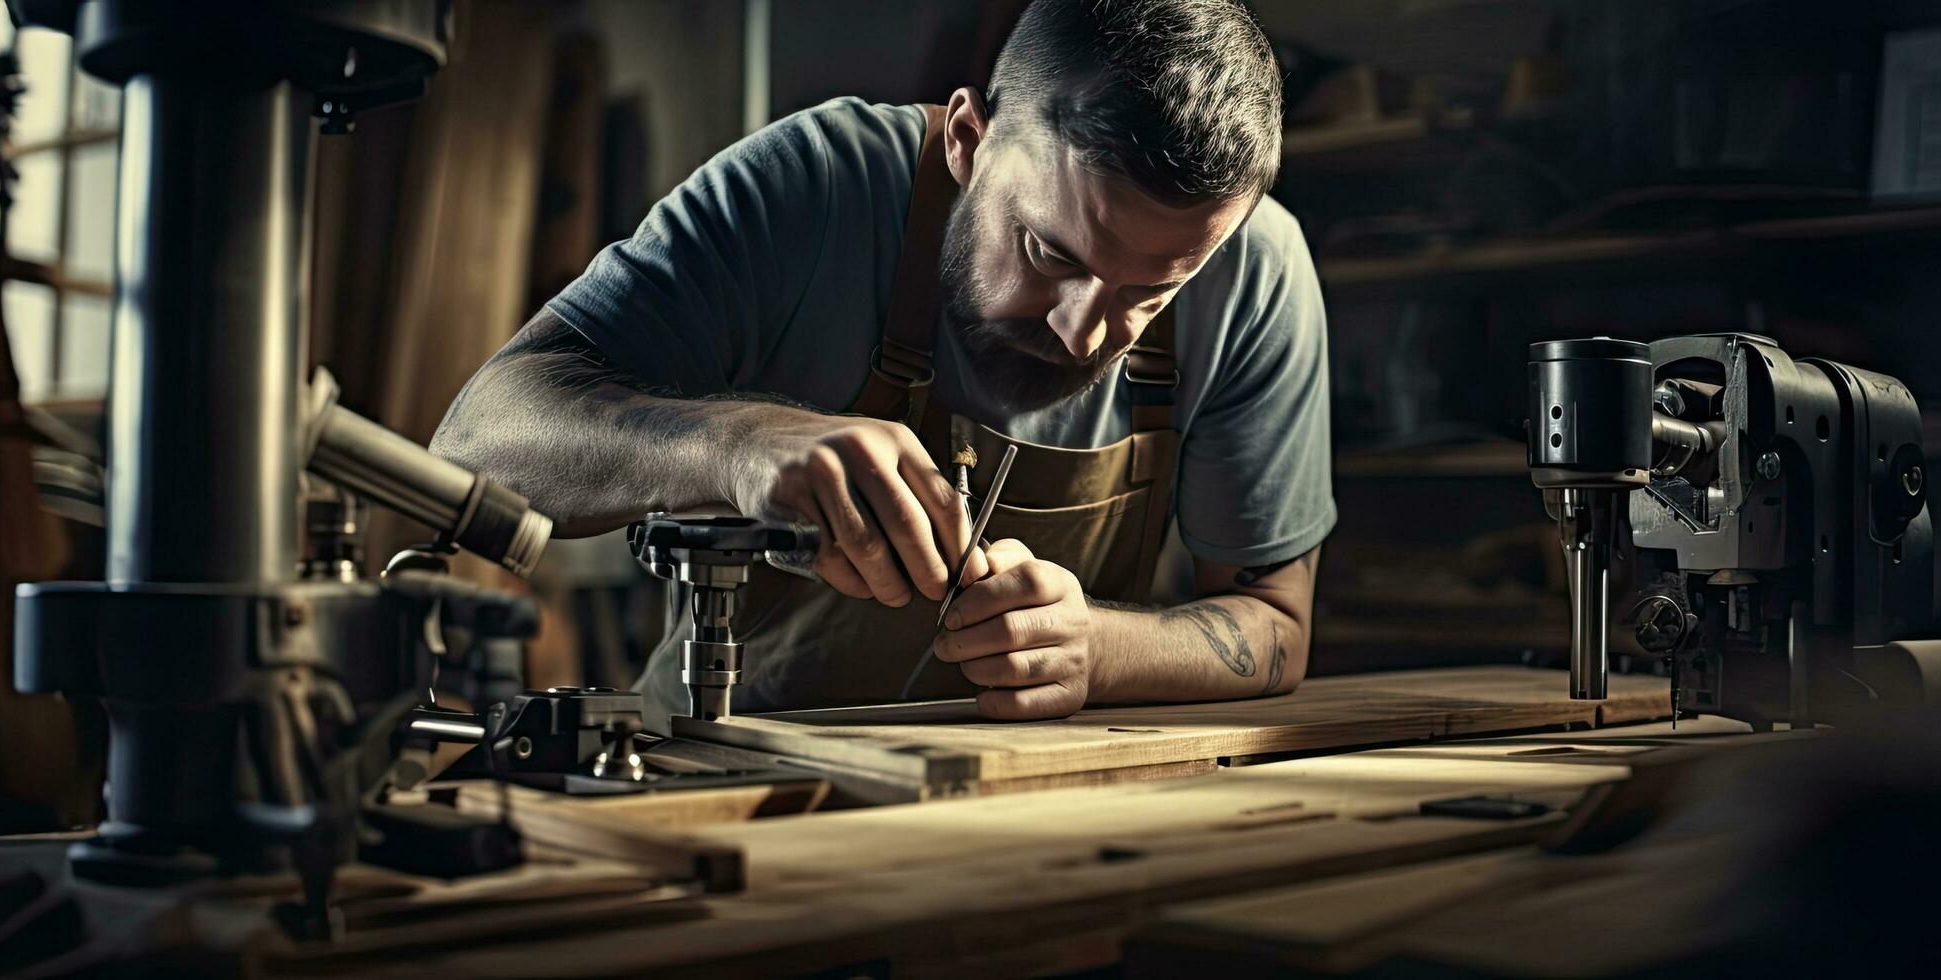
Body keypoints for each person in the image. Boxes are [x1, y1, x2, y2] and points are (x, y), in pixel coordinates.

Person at [433, 0, 1333, 725]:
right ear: (968, 142)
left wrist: (1093, 648)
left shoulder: (1254, 269)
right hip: (734, 786)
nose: (1084, 335)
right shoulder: (810, 187)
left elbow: (1277, 628)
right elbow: (474, 446)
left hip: (1043, 817)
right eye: (1051, 256)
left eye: (1153, 293)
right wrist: (730, 445)